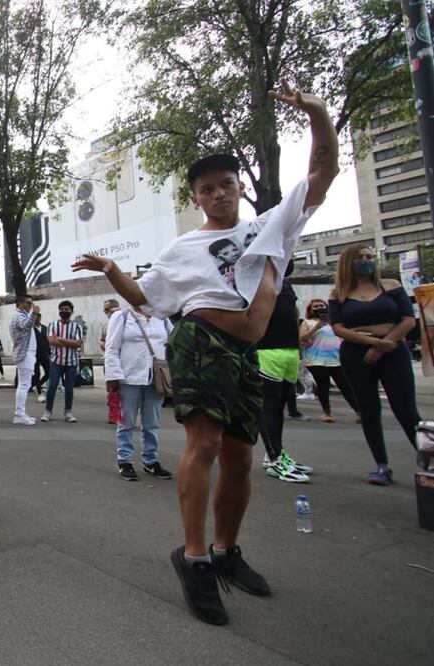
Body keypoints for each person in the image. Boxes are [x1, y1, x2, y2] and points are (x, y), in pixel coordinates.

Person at [72, 81, 338, 625]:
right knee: (207, 443)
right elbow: (147, 298)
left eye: (226, 185)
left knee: (243, 454)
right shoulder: (181, 248)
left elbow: (323, 173)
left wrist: (316, 113)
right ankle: (193, 559)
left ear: (240, 189)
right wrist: (111, 270)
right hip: (200, 340)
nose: (218, 194)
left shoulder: (272, 225)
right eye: (207, 188)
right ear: (195, 198)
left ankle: (225, 551)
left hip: (247, 350)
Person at [329, 244, 421, 486]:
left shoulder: (391, 286)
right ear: (348, 262)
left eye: (369, 257)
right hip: (356, 354)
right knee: (368, 410)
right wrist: (370, 343)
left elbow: (408, 320)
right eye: (359, 258)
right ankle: (382, 464)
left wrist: (385, 343)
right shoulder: (338, 294)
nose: (366, 261)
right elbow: (338, 328)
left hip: (393, 350)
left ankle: (428, 460)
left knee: (407, 411)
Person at [256, 262, 313, 484]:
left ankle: (276, 452)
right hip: (266, 352)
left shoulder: (285, 284)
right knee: (268, 407)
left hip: (290, 351)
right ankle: (275, 459)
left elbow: (293, 314)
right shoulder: (254, 279)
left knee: (279, 407)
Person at [105, 306, 173, 481]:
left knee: (151, 423)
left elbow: (172, 342)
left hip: (155, 378)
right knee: (127, 422)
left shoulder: (161, 317)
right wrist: (113, 376)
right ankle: (125, 460)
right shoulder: (122, 316)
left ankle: (150, 460)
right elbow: (112, 348)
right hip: (129, 377)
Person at [300, 298, 359, 423]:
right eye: (315, 307)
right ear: (310, 310)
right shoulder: (307, 322)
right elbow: (302, 338)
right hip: (316, 360)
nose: (319, 308)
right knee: (323, 386)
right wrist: (316, 327)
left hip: (336, 359)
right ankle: (327, 413)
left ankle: (359, 411)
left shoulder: (334, 323)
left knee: (345, 386)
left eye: (321, 305)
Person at [43, 300, 83, 423]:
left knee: (69, 388)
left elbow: (78, 343)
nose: (63, 312)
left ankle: (68, 412)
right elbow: (50, 341)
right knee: (52, 387)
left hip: (71, 362)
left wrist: (60, 339)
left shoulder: (77, 326)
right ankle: (48, 411)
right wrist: (68, 342)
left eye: (66, 309)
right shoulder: (52, 325)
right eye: (61, 309)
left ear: (71, 311)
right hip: (56, 361)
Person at [10, 294, 37, 425]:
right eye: (28, 303)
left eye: (31, 303)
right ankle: (19, 414)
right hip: (24, 354)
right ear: (20, 303)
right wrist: (34, 314)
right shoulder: (18, 316)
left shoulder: (22, 314)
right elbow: (25, 326)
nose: (30, 305)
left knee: (24, 384)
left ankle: (21, 413)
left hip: (27, 353)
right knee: (24, 385)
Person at [31, 306, 50, 401]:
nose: (37, 319)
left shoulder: (45, 328)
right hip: (34, 354)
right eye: (35, 317)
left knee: (49, 372)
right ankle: (39, 392)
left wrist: (49, 351)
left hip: (45, 353)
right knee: (36, 373)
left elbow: (48, 340)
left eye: (38, 317)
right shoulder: (30, 329)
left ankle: (38, 385)